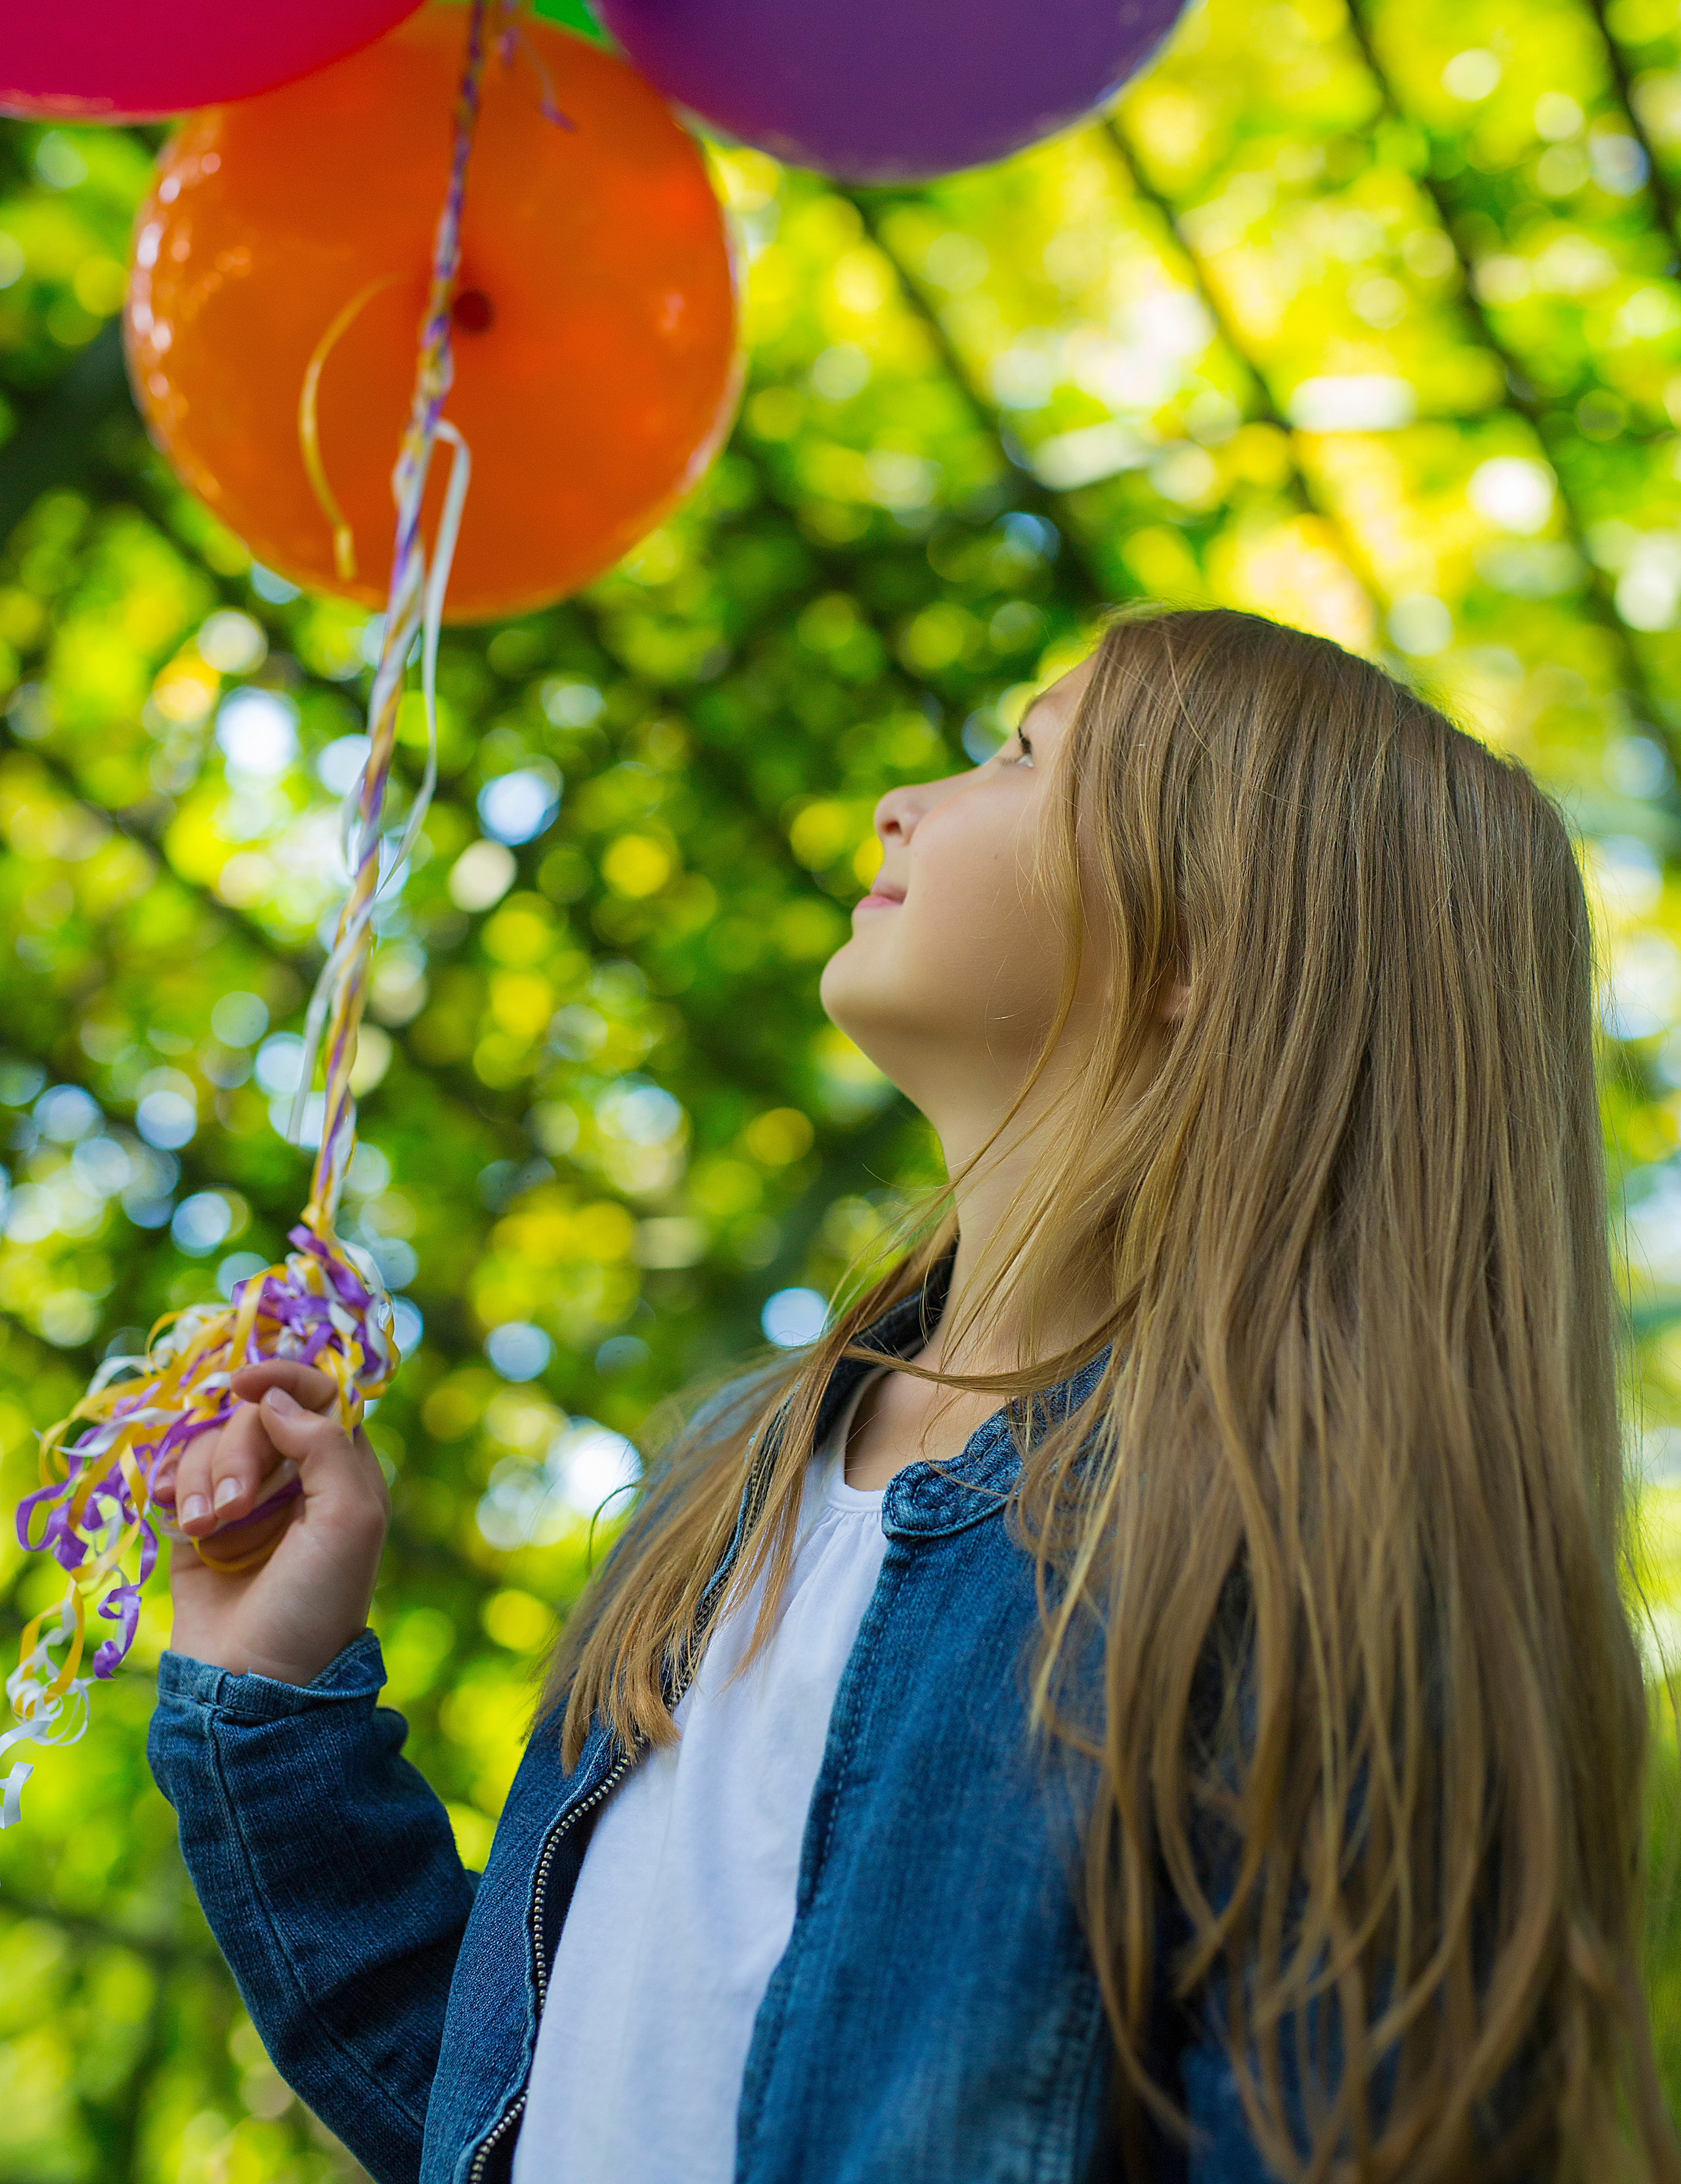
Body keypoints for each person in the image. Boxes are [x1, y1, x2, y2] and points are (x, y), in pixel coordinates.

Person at [148, 607, 1681, 2184]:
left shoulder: (1297, 1565)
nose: (907, 802)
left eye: (1023, 752)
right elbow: (529, 2116)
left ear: (1202, 948)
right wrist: (278, 1698)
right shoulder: (728, 1482)